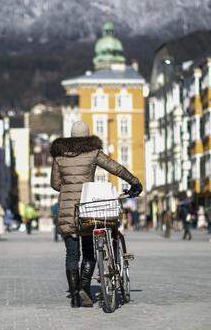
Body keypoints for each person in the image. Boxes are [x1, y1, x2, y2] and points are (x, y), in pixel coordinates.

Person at [50, 121, 142, 308]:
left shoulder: (59, 156)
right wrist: (134, 182)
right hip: (87, 208)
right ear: (87, 135)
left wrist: (67, 188)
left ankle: (75, 297)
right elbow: (115, 168)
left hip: (67, 211)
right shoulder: (92, 152)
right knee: (90, 252)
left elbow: (54, 184)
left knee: (72, 254)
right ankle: (84, 287)